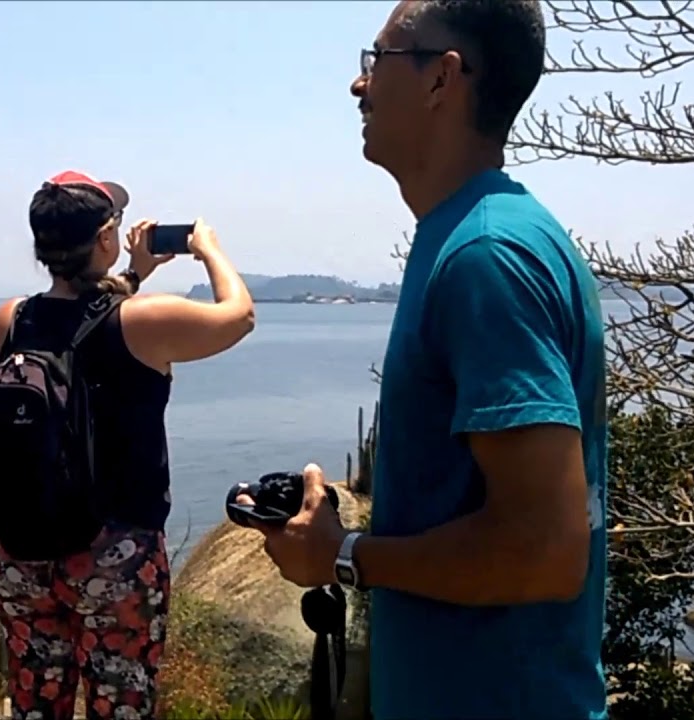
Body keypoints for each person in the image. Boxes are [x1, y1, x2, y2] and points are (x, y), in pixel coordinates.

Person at [247, 2, 609, 719]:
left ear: (443, 79)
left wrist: (344, 555)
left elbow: (545, 549)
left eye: (376, 61)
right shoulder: (472, 235)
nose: (359, 86)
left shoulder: (485, 257)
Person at [0, 170, 255, 720]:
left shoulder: (11, 320)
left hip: (23, 550)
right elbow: (239, 316)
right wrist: (209, 250)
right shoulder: (146, 320)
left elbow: (80, 324)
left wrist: (134, 272)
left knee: (36, 704)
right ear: (104, 239)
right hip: (116, 555)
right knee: (122, 704)